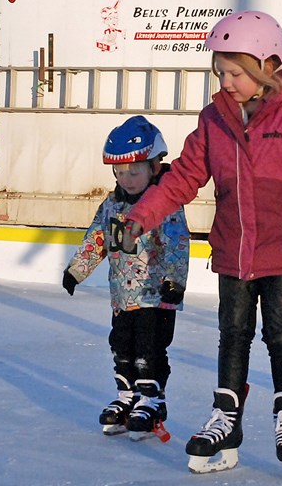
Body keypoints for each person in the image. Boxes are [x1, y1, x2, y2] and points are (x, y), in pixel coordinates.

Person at [121, 10, 282, 474]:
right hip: (234, 248)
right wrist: (139, 217)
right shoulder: (214, 120)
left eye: (235, 72)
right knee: (233, 335)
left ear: (267, 67)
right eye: (221, 72)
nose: (226, 81)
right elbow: (183, 177)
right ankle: (226, 418)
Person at [62, 115, 190, 441]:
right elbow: (97, 238)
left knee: (149, 349)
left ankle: (151, 399)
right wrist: (77, 270)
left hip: (155, 295)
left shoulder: (164, 204)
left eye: (134, 171)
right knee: (121, 346)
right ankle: (127, 395)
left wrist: (174, 283)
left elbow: (176, 244)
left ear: (155, 167)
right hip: (122, 296)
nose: (127, 179)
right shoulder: (112, 204)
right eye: (120, 172)